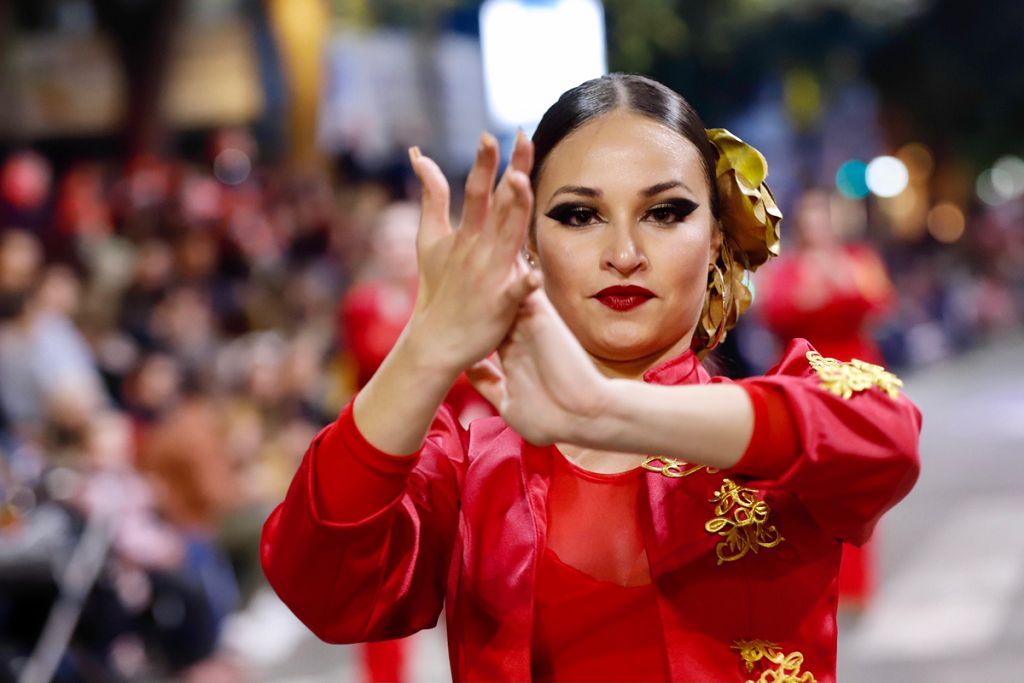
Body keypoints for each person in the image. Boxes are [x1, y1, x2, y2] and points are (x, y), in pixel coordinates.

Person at [261, 74, 921, 682]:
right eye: (579, 214)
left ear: (717, 238)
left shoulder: (771, 427)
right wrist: (425, 346)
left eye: (665, 212)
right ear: (528, 246)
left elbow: (884, 437)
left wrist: (606, 408)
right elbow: (323, 585)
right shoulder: (467, 471)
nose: (625, 254)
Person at [757, 188, 896, 612]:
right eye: (811, 217)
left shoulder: (858, 260)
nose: (817, 225)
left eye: (824, 216)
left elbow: (880, 303)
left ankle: (855, 585)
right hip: (807, 384)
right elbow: (771, 311)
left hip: (856, 380)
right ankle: (814, 585)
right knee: (809, 486)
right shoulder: (786, 268)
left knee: (857, 483)